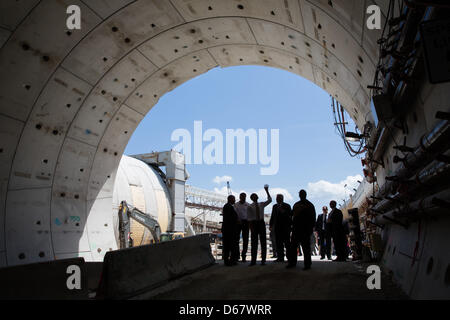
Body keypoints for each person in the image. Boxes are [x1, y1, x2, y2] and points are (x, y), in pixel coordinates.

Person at [287, 190, 316, 270]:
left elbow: (313, 218)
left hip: (305, 229)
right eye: (300, 194)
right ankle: (292, 262)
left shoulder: (309, 205)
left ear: (305, 195)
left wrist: (310, 230)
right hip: (296, 229)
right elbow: (292, 215)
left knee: (306, 248)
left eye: (302, 194)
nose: (301, 195)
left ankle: (307, 264)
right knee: (293, 247)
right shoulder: (297, 204)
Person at [247, 185, 272, 266]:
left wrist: (267, 191)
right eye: (254, 196)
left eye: (256, 196)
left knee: (263, 242)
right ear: (252, 198)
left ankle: (263, 260)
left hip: (261, 223)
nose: (255, 197)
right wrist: (251, 227)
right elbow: (249, 218)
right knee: (254, 242)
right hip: (255, 223)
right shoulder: (250, 206)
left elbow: (270, 200)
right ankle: (253, 260)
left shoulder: (261, 204)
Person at [269, 194, 292, 262]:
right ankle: (280, 257)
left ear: (282, 199)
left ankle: (289, 257)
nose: (277, 199)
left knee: (287, 243)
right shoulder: (275, 206)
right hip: (277, 227)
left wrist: (283, 212)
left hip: (285, 228)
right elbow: (273, 216)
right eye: (277, 198)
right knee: (279, 243)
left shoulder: (287, 206)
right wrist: (271, 225)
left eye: (278, 198)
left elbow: (290, 216)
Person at [221, 195, 239, 266]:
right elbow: (231, 218)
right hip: (229, 230)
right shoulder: (229, 207)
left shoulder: (227, 206)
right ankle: (230, 261)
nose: (234, 200)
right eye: (233, 199)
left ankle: (228, 261)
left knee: (227, 246)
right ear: (230, 199)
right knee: (230, 245)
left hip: (227, 229)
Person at [234, 193, 250, 262]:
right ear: (240, 197)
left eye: (244, 197)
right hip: (237, 223)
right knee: (236, 239)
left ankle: (244, 256)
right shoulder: (236, 205)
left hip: (246, 222)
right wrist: (237, 220)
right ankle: (237, 255)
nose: (243, 198)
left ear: (245, 197)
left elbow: (250, 214)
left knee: (245, 240)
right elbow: (234, 213)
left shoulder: (248, 205)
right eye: (242, 197)